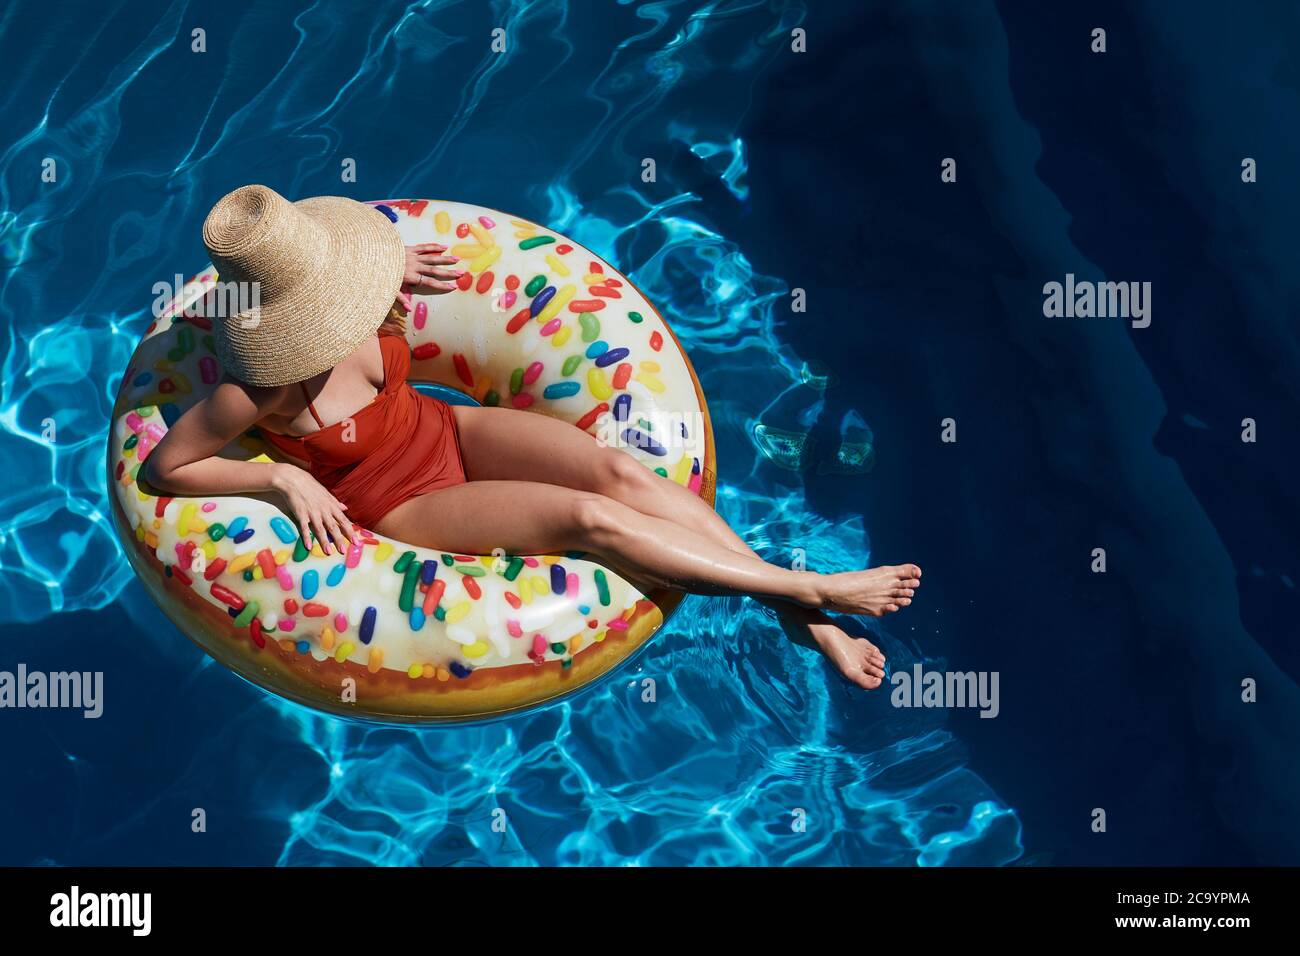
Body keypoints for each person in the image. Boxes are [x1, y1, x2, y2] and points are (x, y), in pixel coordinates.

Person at [147, 185, 920, 690]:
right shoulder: (261, 387)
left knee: (619, 475)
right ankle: (806, 591)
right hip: (404, 502)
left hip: (449, 427)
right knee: (589, 521)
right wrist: (281, 480)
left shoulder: (363, 288)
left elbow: (373, 283)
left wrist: (387, 266)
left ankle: (804, 614)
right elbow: (166, 469)